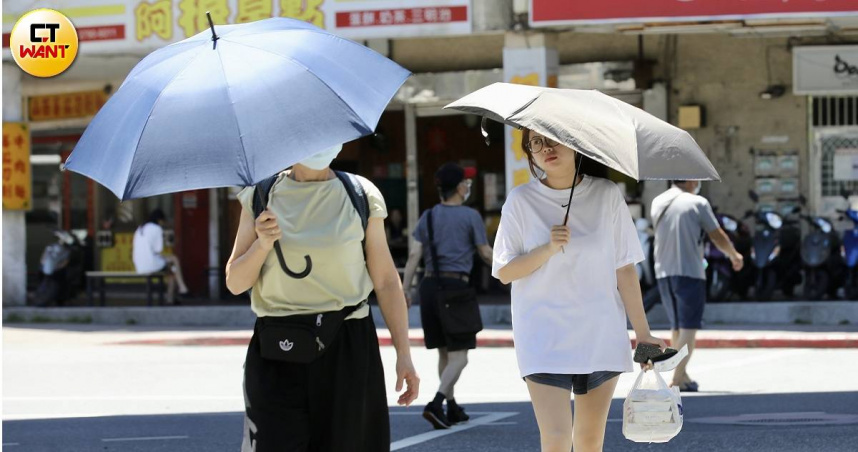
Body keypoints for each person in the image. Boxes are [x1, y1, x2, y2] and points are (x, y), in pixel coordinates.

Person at [225, 144, 419, 452]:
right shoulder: (260, 196)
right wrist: (261, 245)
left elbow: (385, 281)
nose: (320, 144)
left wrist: (404, 354)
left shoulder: (360, 194)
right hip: (278, 346)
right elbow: (235, 282)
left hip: (346, 343)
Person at [492, 131, 667, 452]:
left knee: (589, 440)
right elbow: (504, 271)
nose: (546, 148)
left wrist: (644, 335)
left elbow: (625, 268)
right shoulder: (520, 200)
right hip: (543, 336)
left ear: (574, 144)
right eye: (535, 144)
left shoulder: (607, 194)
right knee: (557, 439)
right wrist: (547, 248)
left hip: (600, 333)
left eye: (553, 139)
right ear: (529, 153)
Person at [402, 162, 493, 430]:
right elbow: (485, 253)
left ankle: (451, 407)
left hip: (429, 289)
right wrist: (511, 270)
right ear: (460, 187)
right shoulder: (470, 216)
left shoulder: (427, 216)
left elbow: (414, 255)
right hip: (456, 289)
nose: (468, 187)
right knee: (460, 356)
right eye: (466, 183)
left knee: (444, 352)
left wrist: (405, 289)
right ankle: (437, 403)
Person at [651, 180, 743, 391]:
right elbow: (717, 235)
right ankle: (677, 376)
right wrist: (734, 255)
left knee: (676, 327)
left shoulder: (657, 201)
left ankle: (683, 377)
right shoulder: (697, 202)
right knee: (689, 327)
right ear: (692, 180)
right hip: (690, 271)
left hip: (663, 271)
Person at [132, 208, 190, 304]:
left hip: (138, 265)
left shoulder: (140, 228)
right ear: (160, 220)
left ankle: (175, 294)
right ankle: (181, 288)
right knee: (174, 259)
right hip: (151, 264)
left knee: (172, 271)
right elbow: (158, 250)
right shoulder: (157, 228)